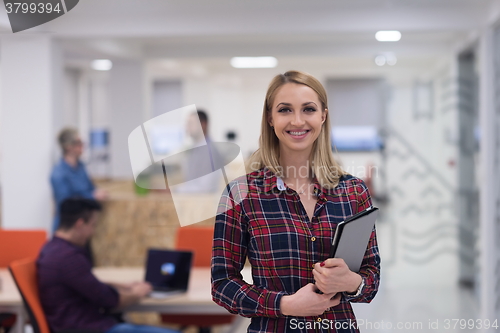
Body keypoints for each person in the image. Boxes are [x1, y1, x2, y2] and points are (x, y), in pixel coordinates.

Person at [211, 70, 380, 332]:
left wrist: (350, 281)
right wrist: (284, 304)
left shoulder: (353, 192)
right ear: (270, 118)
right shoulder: (241, 194)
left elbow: (371, 279)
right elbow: (222, 284)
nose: (298, 121)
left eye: (308, 109)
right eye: (285, 110)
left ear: (323, 115)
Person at [37, 198, 180, 333]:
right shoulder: (69, 258)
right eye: (92, 225)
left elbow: (86, 284)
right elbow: (110, 300)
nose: (92, 232)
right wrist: (137, 293)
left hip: (79, 324)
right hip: (91, 328)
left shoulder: (51, 249)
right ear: (80, 224)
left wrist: (121, 286)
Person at [50, 127, 107, 233]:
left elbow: (90, 187)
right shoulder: (58, 173)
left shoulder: (81, 167)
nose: (82, 146)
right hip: (67, 228)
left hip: (83, 225)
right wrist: (92, 196)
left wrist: (97, 192)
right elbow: (66, 203)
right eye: (79, 143)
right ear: (68, 147)